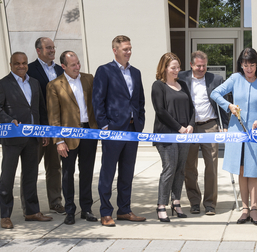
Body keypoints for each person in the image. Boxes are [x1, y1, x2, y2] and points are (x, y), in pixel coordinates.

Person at [211, 48, 257, 226]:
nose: (249, 69)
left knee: (253, 171)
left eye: (252, 65)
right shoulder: (235, 79)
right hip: (237, 132)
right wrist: (229, 105)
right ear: (241, 65)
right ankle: (245, 209)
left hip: (255, 133)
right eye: (245, 65)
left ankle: (254, 209)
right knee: (241, 170)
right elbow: (214, 93)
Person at [0, 52, 53, 229]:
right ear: (11, 65)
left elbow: (40, 110)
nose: (21, 66)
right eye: (17, 63)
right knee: (7, 177)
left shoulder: (33, 83)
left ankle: (32, 211)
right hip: (12, 139)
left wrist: (44, 132)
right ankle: (5, 215)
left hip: (33, 138)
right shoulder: (2, 84)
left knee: (30, 175)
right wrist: (9, 120)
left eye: (24, 63)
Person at [93, 35, 146, 227]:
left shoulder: (136, 72)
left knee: (127, 172)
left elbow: (139, 101)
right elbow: (97, 100)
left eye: (130, 48)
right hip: (113, 130)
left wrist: (140, 122)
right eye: (125, 49)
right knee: (108, 173)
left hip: (132, 130)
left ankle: (124, 210)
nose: (129, 52)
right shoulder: (104, 71)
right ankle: (106, 212)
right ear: (115, 50)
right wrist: (104, 126)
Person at [46, 51, 99, 225]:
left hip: (88, 132)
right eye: (73, 65)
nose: (77, 67)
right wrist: (59, 140)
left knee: (87, 172)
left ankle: (86, 209)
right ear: (63, 67)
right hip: (68, 137)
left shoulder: (89, 79)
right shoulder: (54, 85)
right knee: (68, 174)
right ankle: (70, 210)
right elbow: (53, 116)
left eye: (78, 63)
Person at [179, 51, 228, 216]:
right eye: (198, 66)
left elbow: (224, 102)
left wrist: (225, 125)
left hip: (210, 126)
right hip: (190, 128)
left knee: (211, 166)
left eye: (204, 65)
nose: (201, 69)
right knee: (190, 167)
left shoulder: (216, 79)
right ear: (191, 65)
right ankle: (194, 202)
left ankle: (210, 204)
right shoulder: (181, 77)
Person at [152, 52, 195, 222]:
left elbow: (192, 108)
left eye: (178, 67)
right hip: (167, 135)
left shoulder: (183, 84)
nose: (177, 70)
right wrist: (179, 128)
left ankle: (176, 202)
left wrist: (191, 125)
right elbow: (160, 111)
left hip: (185, 134)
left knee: (180, 169)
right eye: (173, 67)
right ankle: (161, 205)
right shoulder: (158, 86)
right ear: (164, 68)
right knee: (169, 169)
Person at [27, 37, 65, 215]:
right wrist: (41, 128)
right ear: (38, 50)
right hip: (38, 127)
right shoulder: (30, 70)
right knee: (31, 167)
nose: (52, 50)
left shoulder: (60, 69)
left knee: (54, 166)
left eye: (53, 47)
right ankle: (30, 206)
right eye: (48, 48)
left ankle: (56, 202)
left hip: (56, 127)